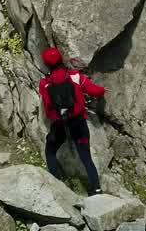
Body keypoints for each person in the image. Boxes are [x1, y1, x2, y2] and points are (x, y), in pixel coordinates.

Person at [38, 47, 105, 196]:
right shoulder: (75, 76)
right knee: (86, 157)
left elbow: (47, 104)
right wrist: (103, 90)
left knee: (50, 152)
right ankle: (96, 190)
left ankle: (59, 184)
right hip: (78, 123)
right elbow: (94, 90)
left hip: (59, 125)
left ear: (46, 64)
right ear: (61, 59)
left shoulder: (45, 83)